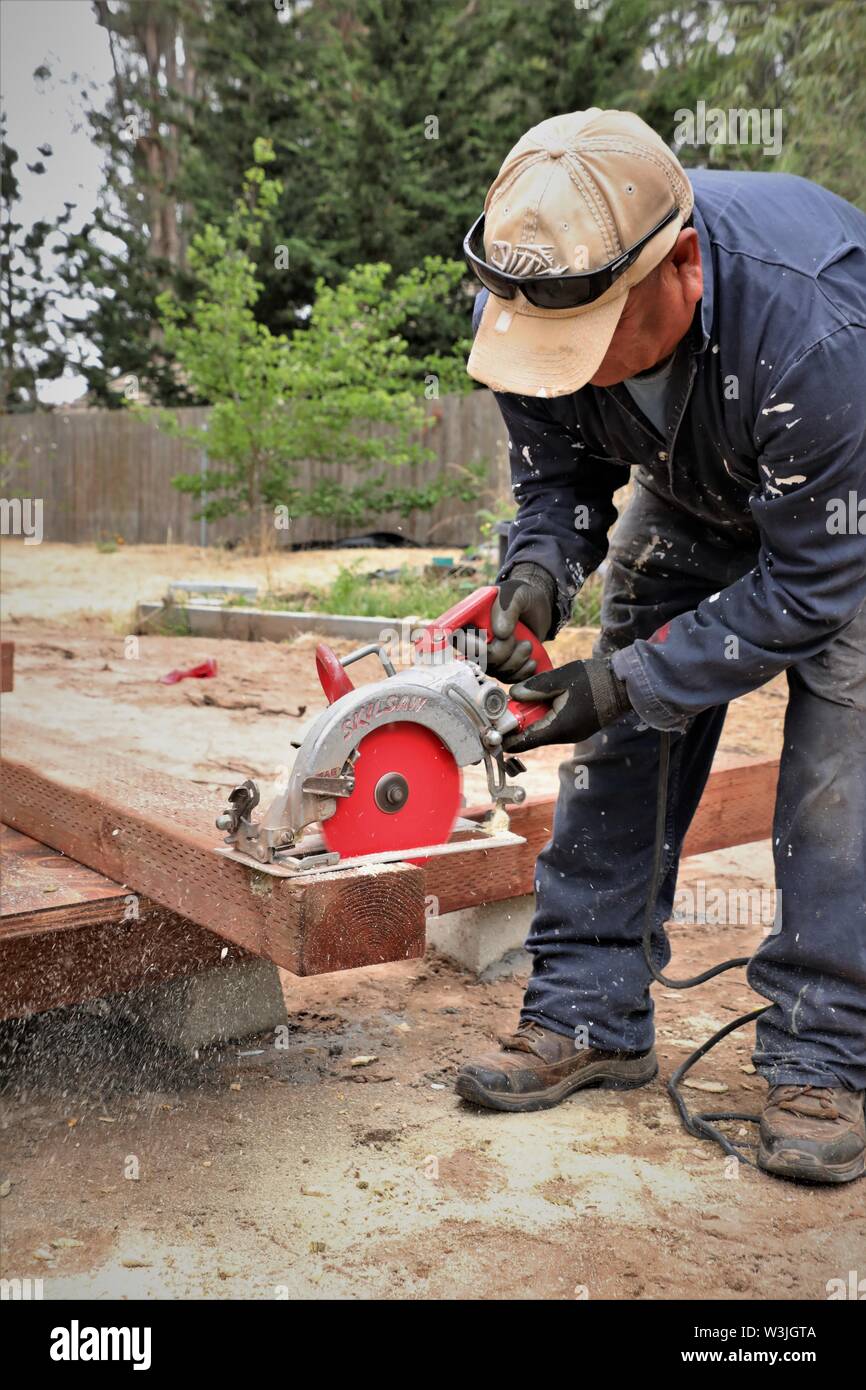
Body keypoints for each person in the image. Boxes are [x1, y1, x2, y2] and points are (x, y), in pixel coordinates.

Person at [455, 108, 866, 1185]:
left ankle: (820, 1053)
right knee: (616, 746)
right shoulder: (531, 290)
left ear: (681, 266)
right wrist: (537, 574)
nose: (573, 373)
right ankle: (588, 1012)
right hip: (695, 490)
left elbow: (810, 585)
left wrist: (624, 679)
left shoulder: (811, 323)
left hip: (842, 520)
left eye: (591, 348)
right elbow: (556, 479)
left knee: (838, 770)